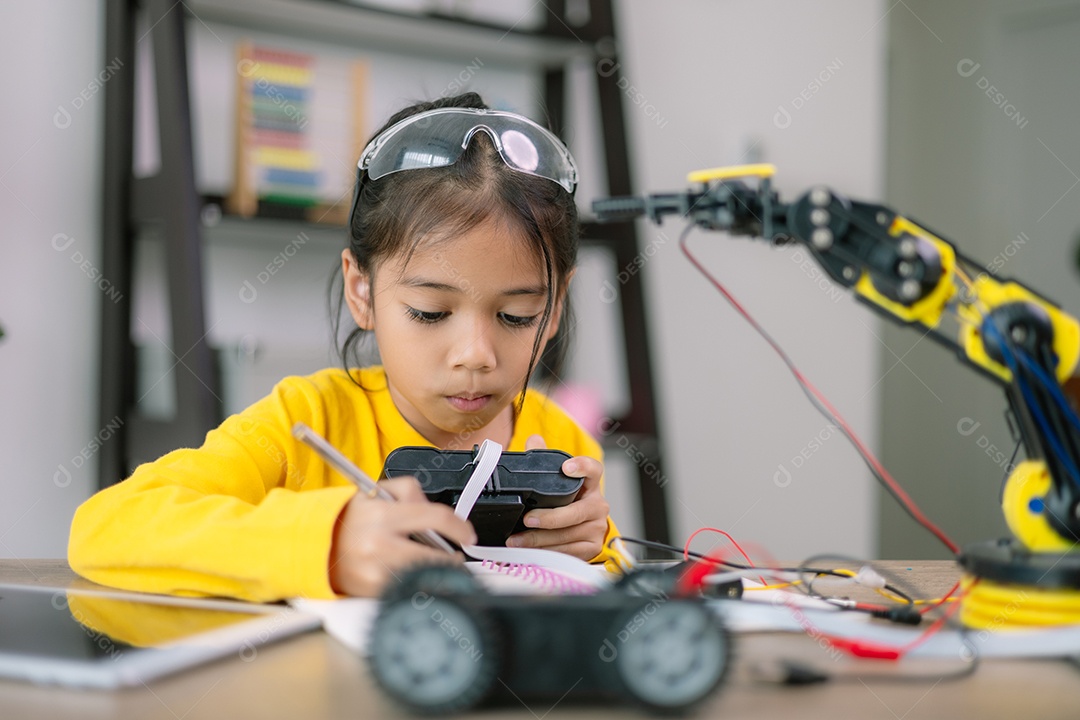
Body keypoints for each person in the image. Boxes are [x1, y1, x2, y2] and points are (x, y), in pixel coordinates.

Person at [68, 93, 622, 602]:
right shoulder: (306, 421)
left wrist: (592, 551)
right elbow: (108, 527)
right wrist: (326, 545)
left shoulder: (558, 442)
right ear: (362, 290)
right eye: (430, 312)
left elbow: (623, 590)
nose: (476, 354)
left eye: (515, 315)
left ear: (554, 307)